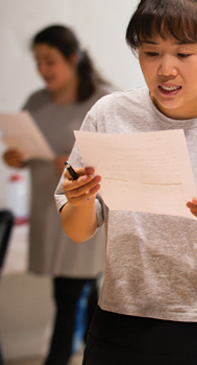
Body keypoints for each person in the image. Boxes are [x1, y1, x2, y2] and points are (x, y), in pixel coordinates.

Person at [54, 0, 197, 365]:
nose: (165, 70)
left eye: (184, 54)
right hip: (117, 326)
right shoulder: (109, 115)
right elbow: (78, 230)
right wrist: (80, 200)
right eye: (151, 52)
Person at [2, 24, 110, 365]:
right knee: (82, 295)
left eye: (50, 61)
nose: (42, 70)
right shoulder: (35, 102)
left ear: (73, 58)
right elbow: (21, 148)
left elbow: (115, 155)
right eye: (38, 62)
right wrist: (13, 155)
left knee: (68, 296)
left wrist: (71, 161)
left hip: (87, 212)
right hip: (47, 212)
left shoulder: (102, 102)